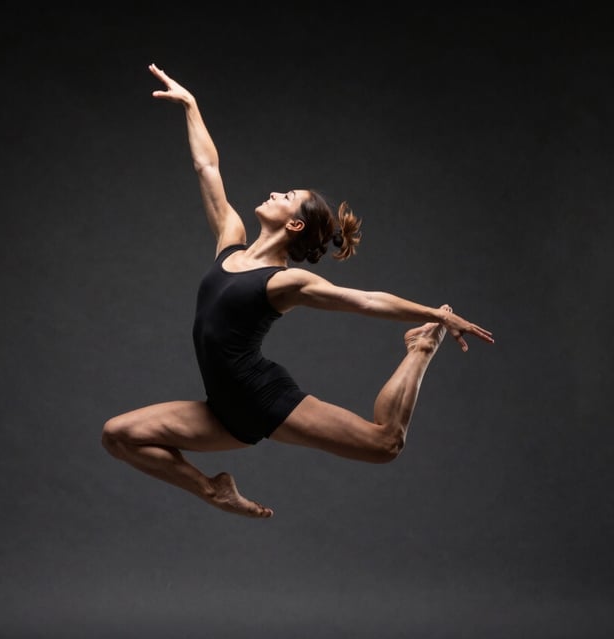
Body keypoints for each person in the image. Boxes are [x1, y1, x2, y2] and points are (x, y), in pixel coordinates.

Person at [102, 63, 494, 519]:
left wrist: (437, 316)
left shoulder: (286, 282)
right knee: (119, 435)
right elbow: (206, 166)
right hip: (222, 411)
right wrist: (191, 106)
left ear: (294, 223)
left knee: (385, 443)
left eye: (287, 195)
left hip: (262, 398)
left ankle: (420, 347)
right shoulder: (230, 238)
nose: (274, 192)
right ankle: (214, 491)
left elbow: (366, 300)